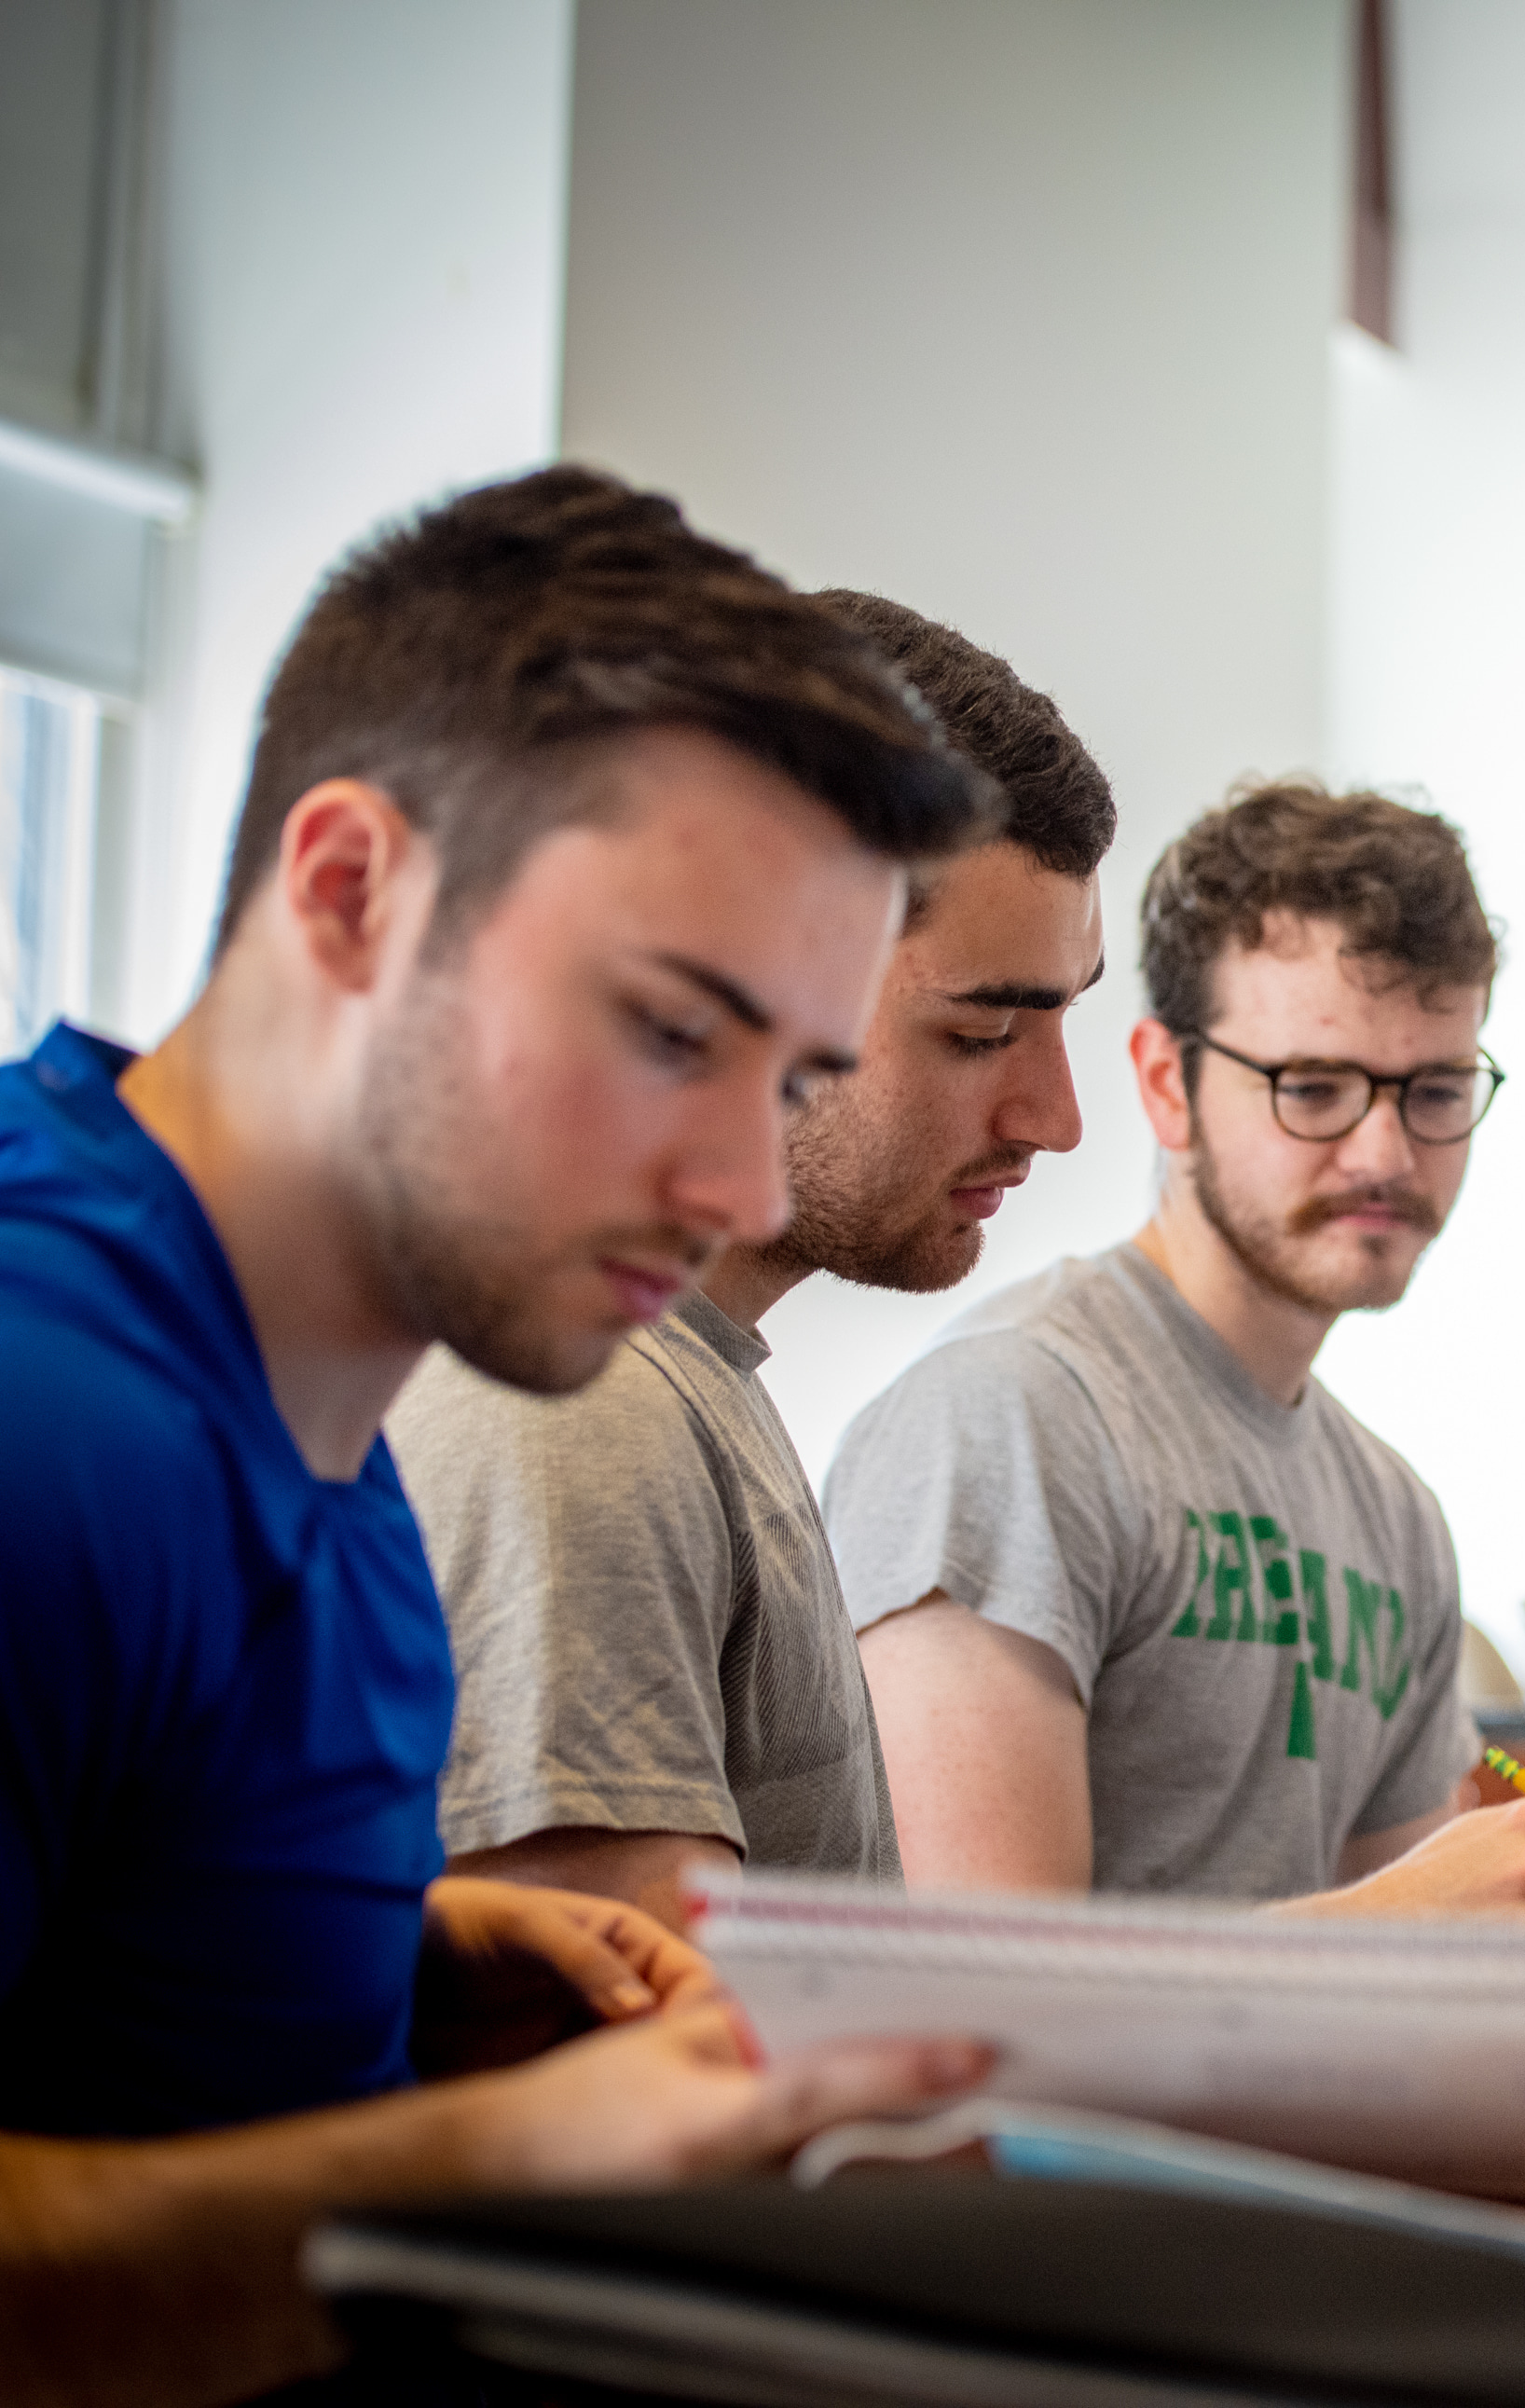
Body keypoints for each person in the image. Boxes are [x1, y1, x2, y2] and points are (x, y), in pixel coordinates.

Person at [0, 467, 1007, 2402]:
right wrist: (484, 2163)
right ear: (352, 890)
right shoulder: (48, 1412)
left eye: (793, 1077)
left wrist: (379, 1963)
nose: (738, 1187)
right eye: (671, 1031)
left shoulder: (327, 1414)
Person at [385, 594, 1112, 1923]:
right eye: (979, 1033)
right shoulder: (575, 1418)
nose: (1056, 1118)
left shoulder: (682, 1383)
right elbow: (633, 2046)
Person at [831, 780, 1504, 1902]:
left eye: (1436, 1091)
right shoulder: (1011, 1419)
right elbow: (989, 1981)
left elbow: (1422, 1959)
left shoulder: (1399, 1517)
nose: (1386, 1154)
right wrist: (1433, 1917)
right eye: (1315, 1088)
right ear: (1165, 1084)